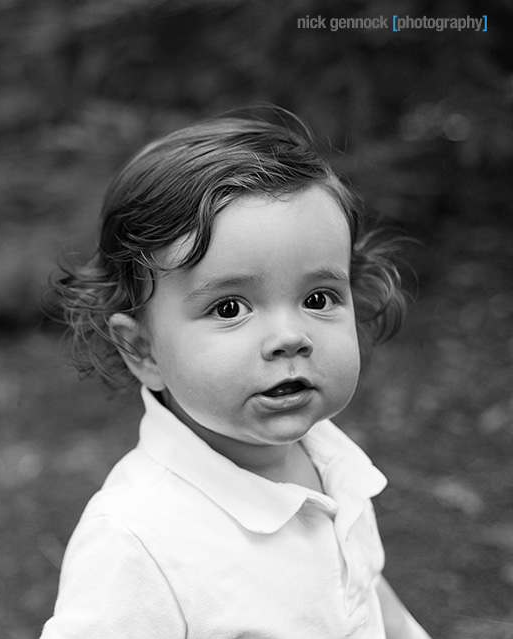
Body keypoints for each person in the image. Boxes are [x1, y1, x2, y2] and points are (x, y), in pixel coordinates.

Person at [41, 109, 431, 638]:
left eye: (318, 298)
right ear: (143, 350)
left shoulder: (330, 460)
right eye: (229, 308)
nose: (290, 336)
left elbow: (359, 584)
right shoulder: (137, 543)